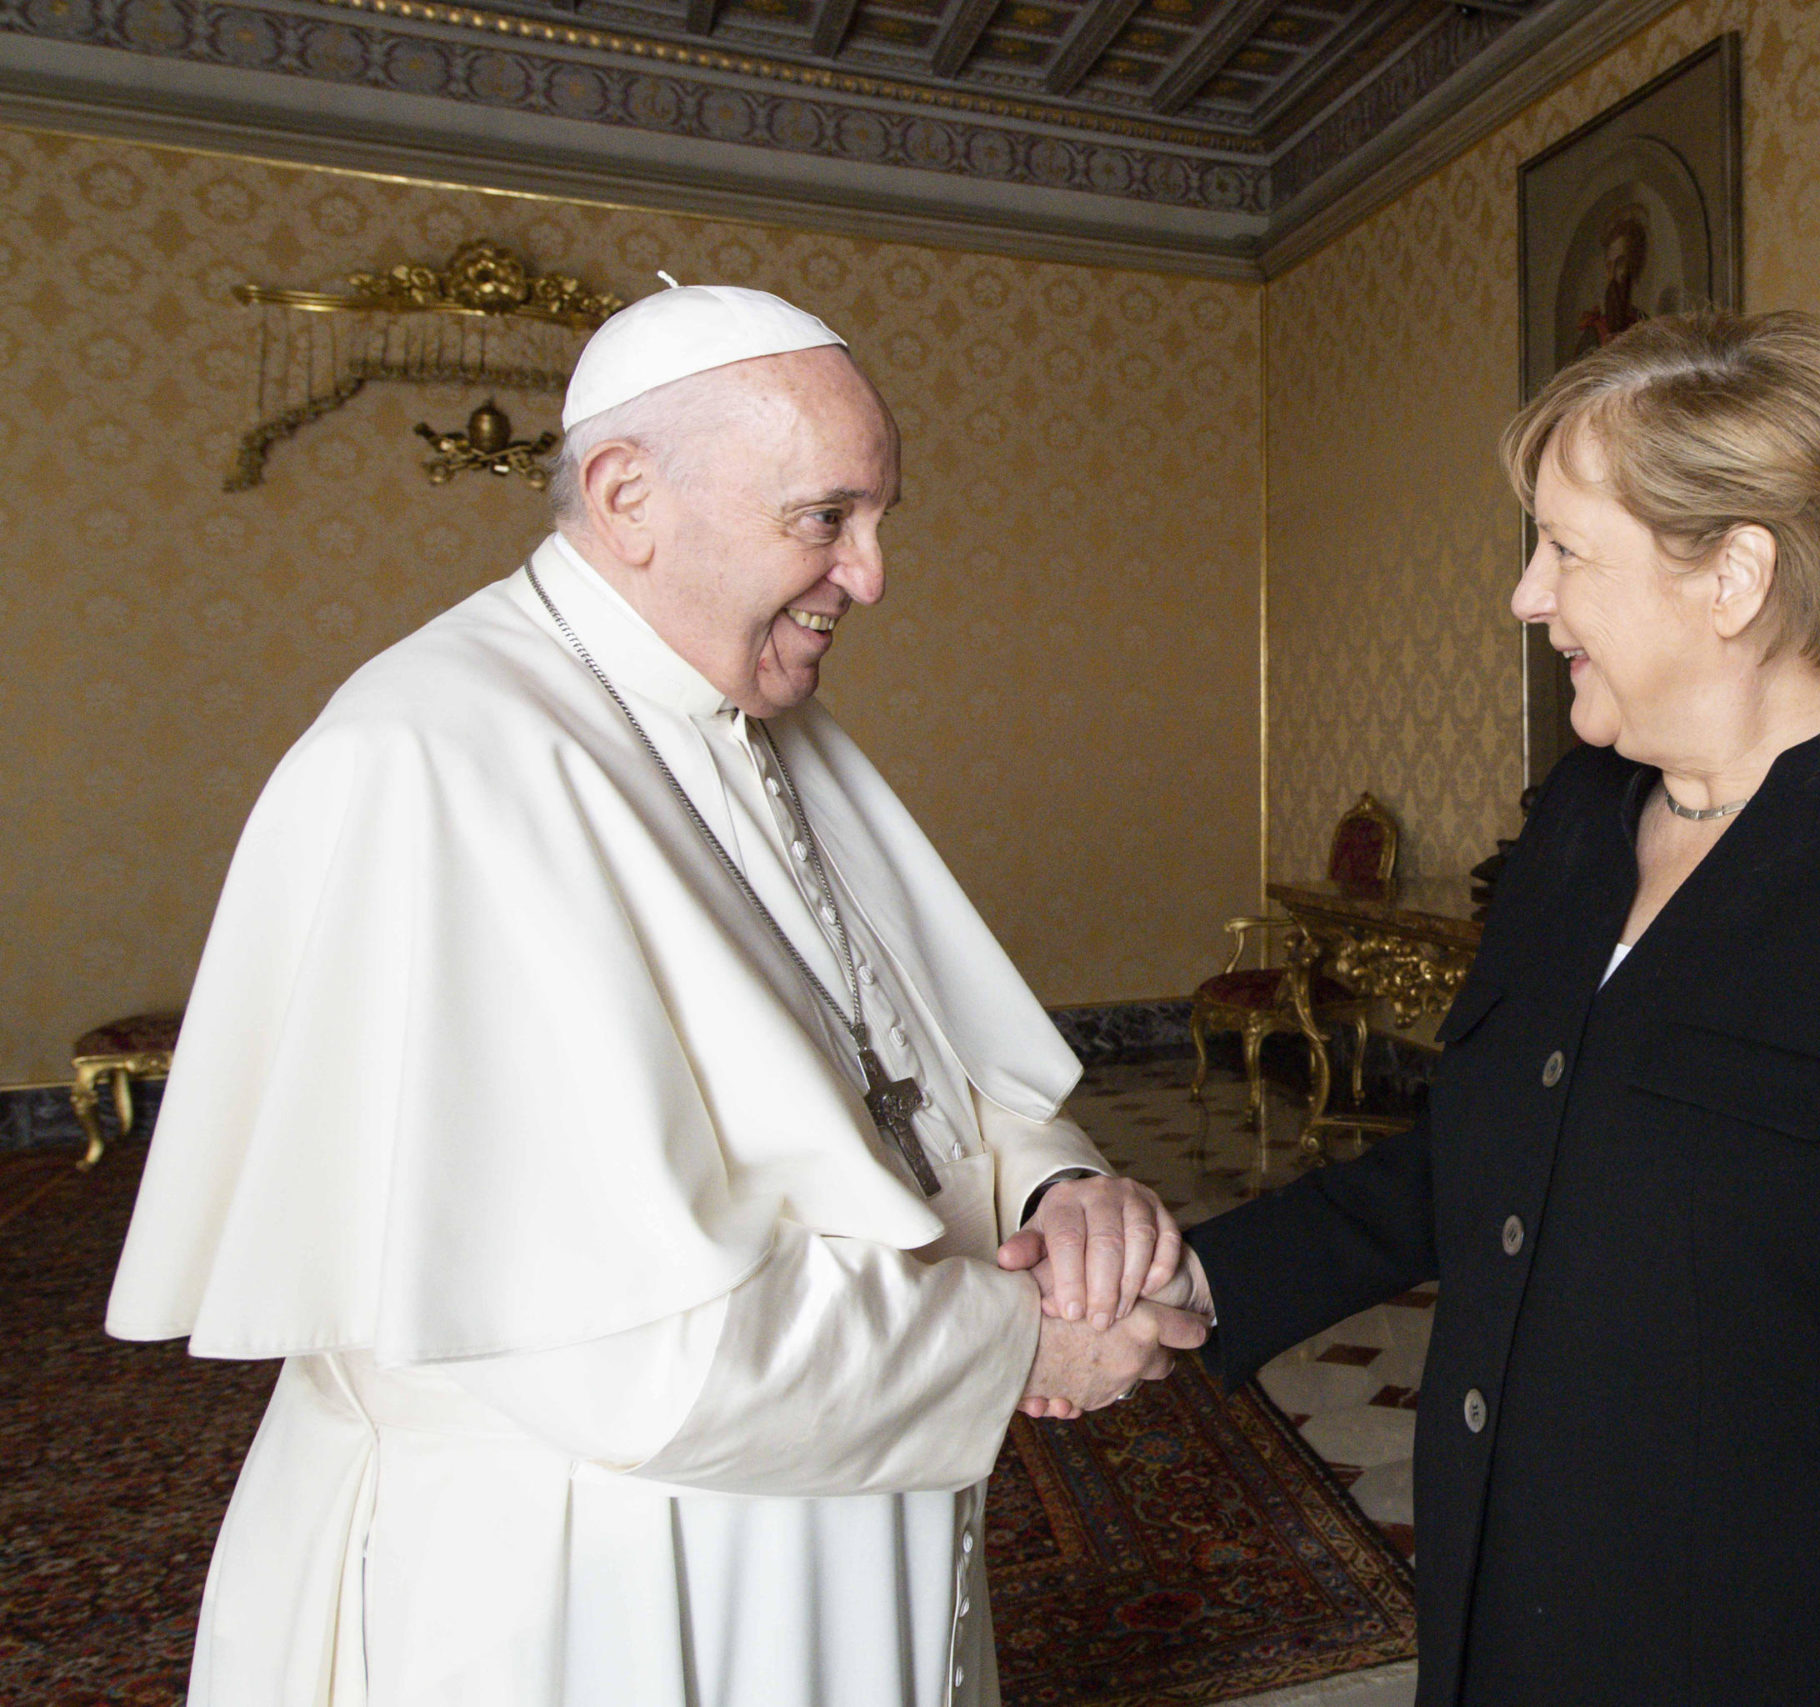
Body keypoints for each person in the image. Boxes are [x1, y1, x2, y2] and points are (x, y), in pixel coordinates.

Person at [1041, 309, 1820, 1703]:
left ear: (1734, 575)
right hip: (1520, 1609)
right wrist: (1199, 1282)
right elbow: (1482, 1153)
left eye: (1565, 550)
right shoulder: (1583, 819)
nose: (1527, 599)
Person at [106, 282, 1203, 1707]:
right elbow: (617, 1349)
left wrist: (1061, 1198)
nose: (870, 575)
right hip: (597, 1578)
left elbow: (920, 1069)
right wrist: (1025, 1339)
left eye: (878, 521)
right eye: (826, 519)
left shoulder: (755, 715)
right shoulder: (434, 762)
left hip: (839, 1502)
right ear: (628, 495)